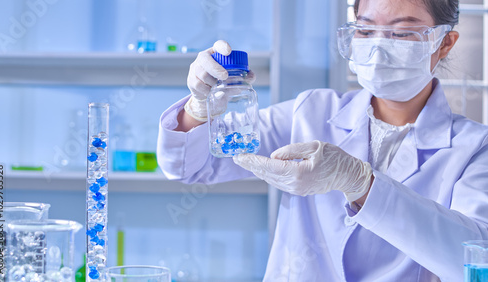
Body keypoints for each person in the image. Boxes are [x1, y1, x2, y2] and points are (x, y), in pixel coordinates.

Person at [157, 0, 488, 280]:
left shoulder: (474, 148)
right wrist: (199, 109)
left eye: (402, 33)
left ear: (444, 43)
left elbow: (474, 261)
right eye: (365, 30)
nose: (379, 46)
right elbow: (189, 167)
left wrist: (361, 184)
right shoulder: (312, 112)